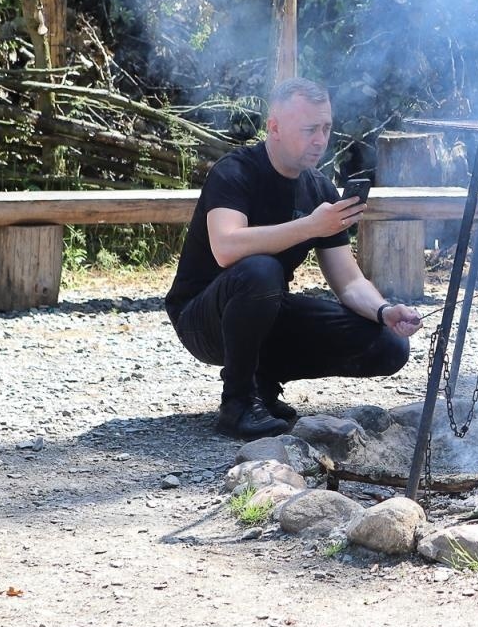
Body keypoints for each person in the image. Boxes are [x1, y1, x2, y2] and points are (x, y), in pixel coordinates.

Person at [165, 77, 421, 439]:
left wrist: (384, 311)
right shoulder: (235, 171)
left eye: (326, 128)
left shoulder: (319, 187)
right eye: (309, 129)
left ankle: (263, 381)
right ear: (274, 128)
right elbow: (227, 248)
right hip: (202, 318)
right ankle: (237, 403)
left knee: (389, 345)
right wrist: (309, 225)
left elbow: (348, 281)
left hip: (266, 311)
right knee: (260, 269)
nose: (320, 139)